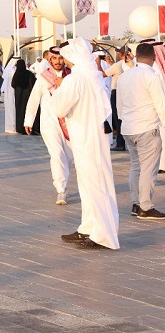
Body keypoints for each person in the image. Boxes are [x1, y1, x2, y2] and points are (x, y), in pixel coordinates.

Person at [47, 38, 119, 250]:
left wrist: (56, 93)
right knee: (90, 185)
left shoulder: (76, 79)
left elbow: (59, 108)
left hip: (87, 137)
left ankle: (103, 236)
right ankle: (88, 227)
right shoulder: (93, 75)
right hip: (92, 137)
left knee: (96, 185)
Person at [116, 42, 165, 219]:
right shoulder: (152, 77)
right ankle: (146, 206)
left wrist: (126, 120)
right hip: (147, 127)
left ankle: (136, 203)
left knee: (136, 167)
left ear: (136, 57)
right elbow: (161, 105)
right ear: (153, 57)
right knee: (148, 169)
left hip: (128, 128)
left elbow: (119, 107)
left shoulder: (125, 76)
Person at [25, 48, 74, 204]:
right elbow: (34, 99)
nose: (58, 62)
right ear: (50, 60)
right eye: (55, 59)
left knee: (68, 156)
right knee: (57, 154)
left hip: (69, 122)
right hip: (49, 122)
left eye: (61, 58)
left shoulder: (72, 76)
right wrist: (29, 120)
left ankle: (63, 182)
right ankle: (61, 189)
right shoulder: (43, 77)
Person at [106, 48, 134, 151]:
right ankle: (123, 142)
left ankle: (120, 143)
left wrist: (98, 63)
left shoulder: (118, 64)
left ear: (121, 54)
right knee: (122, 117)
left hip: (116, 92)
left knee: (117, 118)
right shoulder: (129, 64)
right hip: (126, 92)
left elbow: (103, 74)